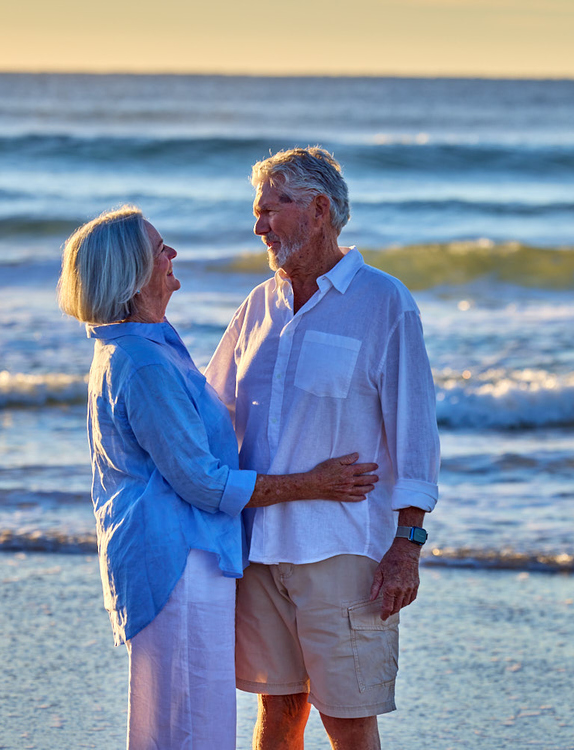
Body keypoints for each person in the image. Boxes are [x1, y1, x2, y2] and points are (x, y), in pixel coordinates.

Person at [57, 204, 379, 750]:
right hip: (178, 560)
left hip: (190, 555)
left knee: (187, 716)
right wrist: (312, 483)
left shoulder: (154, 345)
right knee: (188, 724)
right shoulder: (143, 362)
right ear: (134, 273)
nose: (172, 254)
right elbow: (203, 482)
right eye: (159, 248)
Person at [206, 148, 441, 750]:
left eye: (269, 210)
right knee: (278, 712)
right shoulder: (257, 305)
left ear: (318, 210)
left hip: (344, 554)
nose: (258, 226)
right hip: (257, 551)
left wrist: (407, 545)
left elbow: (414, 431)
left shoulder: (384, 301)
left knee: (349, 721)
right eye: (255, 211)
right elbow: (213, 413)